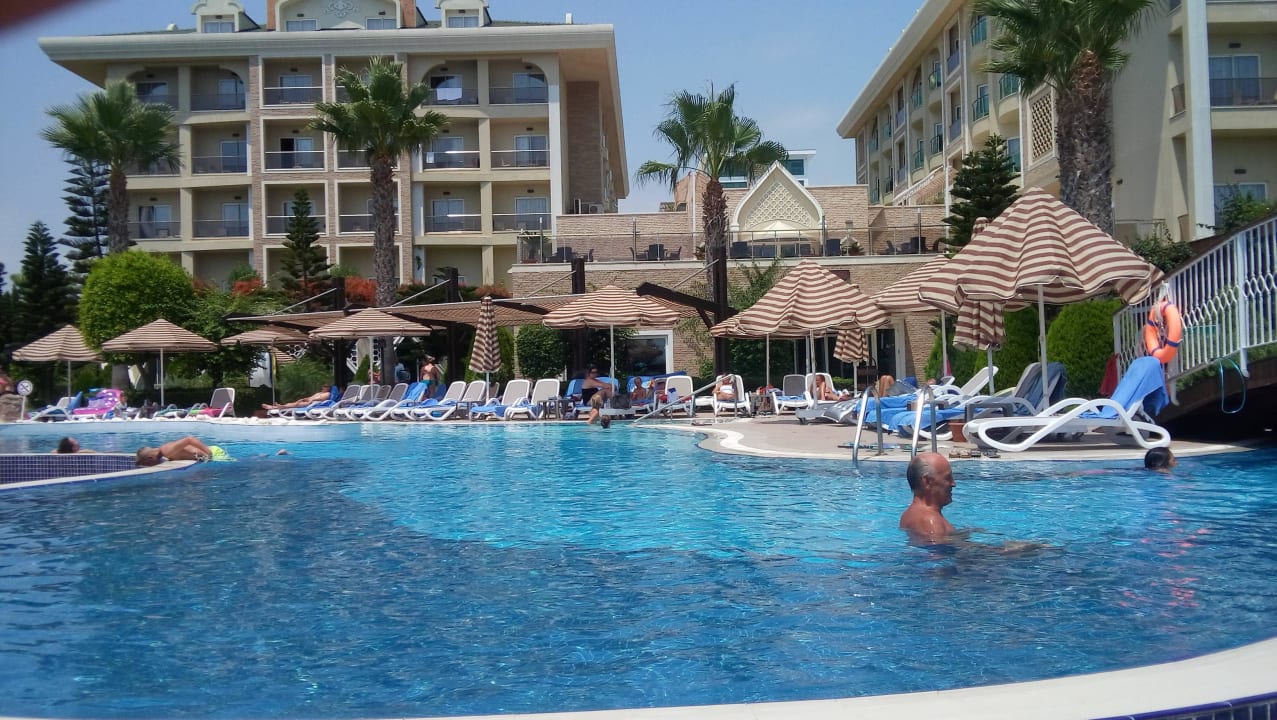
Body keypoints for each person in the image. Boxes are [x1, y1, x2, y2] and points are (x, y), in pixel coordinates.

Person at [899, 452, 956, 543]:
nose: (953, 484)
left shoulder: (910, 514)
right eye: (947, 478)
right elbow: (938, 550)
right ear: (927, 481)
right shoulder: (930, 521)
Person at [136, 435, 220, 466]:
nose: (151, 465)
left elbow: (189, 439)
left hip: (215, 453)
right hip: (211, 452)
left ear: (150, 458)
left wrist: (209, 454)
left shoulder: (167, 451)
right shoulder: (164, 451)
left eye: (148, 464)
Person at [262, 385, 332, 412]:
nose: (324, 387)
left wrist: (311, 400)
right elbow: (310, 397)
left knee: (294, 404)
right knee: (291, 403)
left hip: (312, 403)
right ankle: (276, 407)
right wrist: (305, 398)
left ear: (329, 388)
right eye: (324, 386)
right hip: (308, 402)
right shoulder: (318, 393)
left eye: (326, 387)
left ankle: (274, 407)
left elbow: (322, 399)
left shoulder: (327, 393)